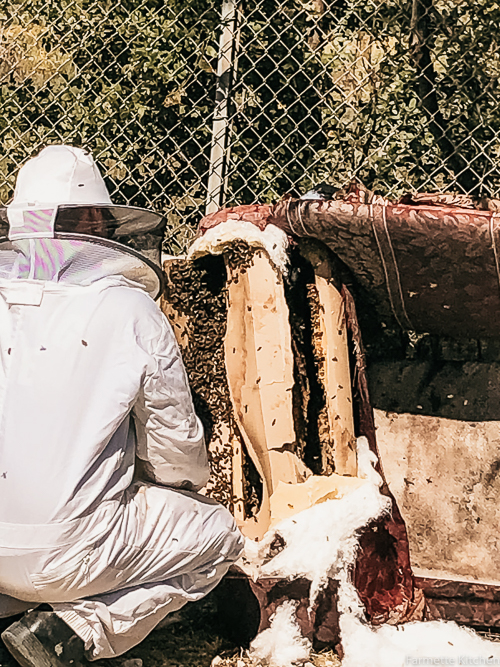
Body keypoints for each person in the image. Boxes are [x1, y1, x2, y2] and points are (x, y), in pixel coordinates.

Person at [0, 145, 244, 666]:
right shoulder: (126, 307)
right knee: (218, 535)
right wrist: (180, 487)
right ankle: (72, 632)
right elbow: (174, 448)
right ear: (92, 218)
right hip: (67, 554)